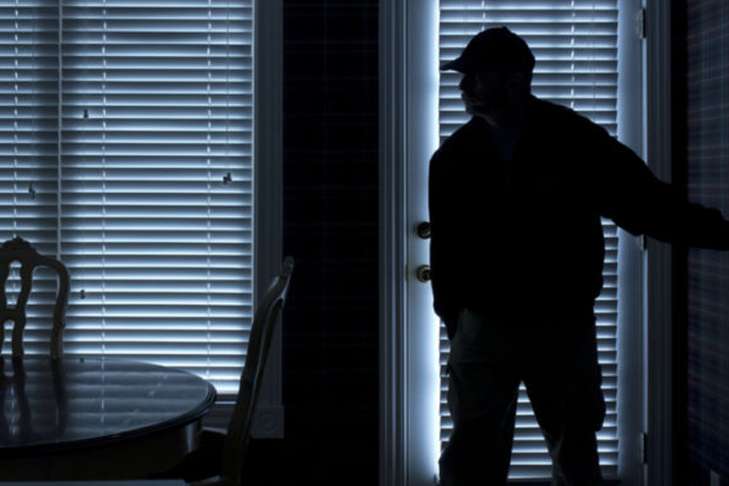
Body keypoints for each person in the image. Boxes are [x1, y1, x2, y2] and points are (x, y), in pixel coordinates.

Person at [429, 26, 729, 486]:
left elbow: (645, 202)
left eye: (476, 75)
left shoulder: (573, 140)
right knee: (473, 455)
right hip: (487, 324)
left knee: (573, 453)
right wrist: (458, 320)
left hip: (559, 323)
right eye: (463, 76)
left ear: (514, 79)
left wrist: (720, 233)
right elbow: (447, 251)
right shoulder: (452, 159)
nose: (464, 86)